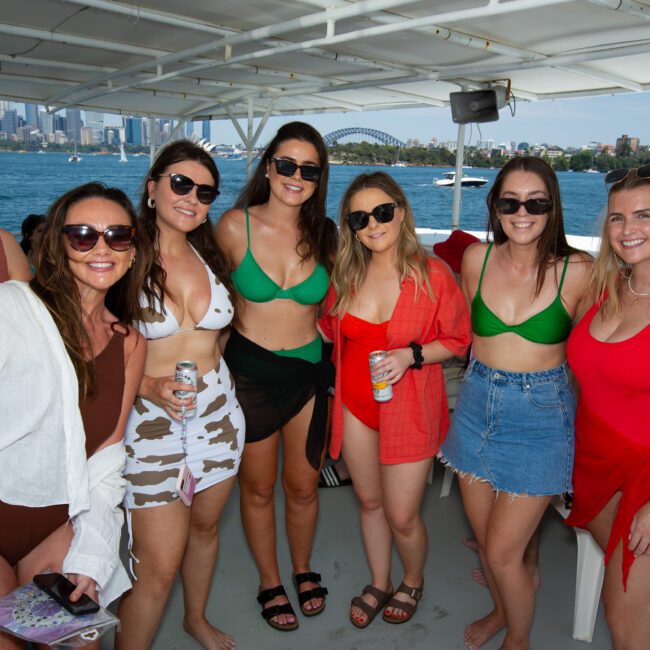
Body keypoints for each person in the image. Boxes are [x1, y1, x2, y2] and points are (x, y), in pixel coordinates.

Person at [439, 156, 591, 650]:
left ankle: (518, 639)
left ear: (552, 207)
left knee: (503, 554)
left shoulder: (578, 272)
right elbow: (461, 336)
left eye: (536, 202)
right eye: (510, 201)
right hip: (477, 404)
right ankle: (502, 609)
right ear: (495, 206)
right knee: (489, 544)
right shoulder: (475, 261)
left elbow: (596, 357)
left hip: (541, 417)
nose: (521, 212)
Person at [319, 171, 471, 628]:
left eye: (383, 212)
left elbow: (459, 339)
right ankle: (380, 580)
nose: (374, 224)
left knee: (403, 515)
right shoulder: (346, 274)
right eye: (360, 217)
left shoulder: (434, 275)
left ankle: (412, 578)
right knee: (370, 503)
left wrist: (412, 354)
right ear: (350, 226)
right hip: (355, 408)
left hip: (409, 408)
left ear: (401, 212)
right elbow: (328, 329)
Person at [0, 182, 147, 649]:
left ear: (132, 249)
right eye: (83, 235)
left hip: (55, 520)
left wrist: (93, 550)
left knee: (78, 641)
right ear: (57, 244)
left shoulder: (129, 342)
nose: (101, 247)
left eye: (117, 236)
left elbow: (107, 457)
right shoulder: (11, 310)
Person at [116, 140, 244, 650]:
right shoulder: (122, 256)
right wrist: (148, 385)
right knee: (156, 571)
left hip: (218, 416)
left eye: (206, 191)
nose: (193, 197)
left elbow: (221, 338)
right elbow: (95, 349)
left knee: (206, 531)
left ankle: (196, 619)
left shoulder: (209, 253)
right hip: (149, 422)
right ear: (152, 188)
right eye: (180, 183)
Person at [216, 121, 337, 631]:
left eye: (308, 170)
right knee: (259, 489)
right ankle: (271, 580)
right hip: (251, 375)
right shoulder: (231, 227)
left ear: (318, 178)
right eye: (286, 164)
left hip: (309, 372)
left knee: (304, 486)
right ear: (268, 166)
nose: (296, 176)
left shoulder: (326, 234)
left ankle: (303, 567)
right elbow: (203, 302)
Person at [565, 164, 650, 649]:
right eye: (617, 218)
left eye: (643, 215)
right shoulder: (608, 287)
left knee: (625, 624)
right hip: (591, 465)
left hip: (640, 480)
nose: (627, 229)